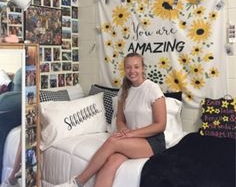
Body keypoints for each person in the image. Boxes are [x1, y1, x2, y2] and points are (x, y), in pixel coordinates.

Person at [56, 52, 167, 187]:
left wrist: (130, 134)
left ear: (143, 68)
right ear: (124, 69)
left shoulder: (152, 89)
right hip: (132, 140)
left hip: (152, 142)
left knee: (113, 141)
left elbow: (160, 125)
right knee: (111, 162)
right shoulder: (124, 91)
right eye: (128, 67)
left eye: (136, 67)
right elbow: (120, 120)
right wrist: (124, 130)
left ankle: (78, 182)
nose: (132, 71)